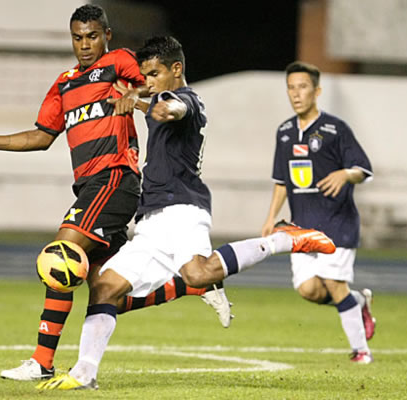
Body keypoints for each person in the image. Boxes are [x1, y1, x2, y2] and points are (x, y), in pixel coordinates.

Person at [0, 4, 232, 382]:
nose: (85, 45)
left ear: (107, 36)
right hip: (89, 186)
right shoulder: (63, 84)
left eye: (92, 36)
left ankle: (41, 361)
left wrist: (135, 93)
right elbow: (41, 137)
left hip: (114, 179)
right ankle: (191, 285)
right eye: (78, 38)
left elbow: (155, 79)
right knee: (104, 288)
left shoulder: (118, 62)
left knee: (61, 253)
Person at [36, 36, 336, 391]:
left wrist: (144, 102)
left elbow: (171, 108)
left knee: (198, 272)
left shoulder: (184, 100)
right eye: (144, 74)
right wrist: (139, 100)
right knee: (105, 287)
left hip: (181, 208)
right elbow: (159, 104)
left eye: (154, 73)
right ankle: (84, 374)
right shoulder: (159, 96)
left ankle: (284, 240)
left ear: (176, 69)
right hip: (151, 221)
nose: (147, 81)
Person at [261, 61, 376, 364]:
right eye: (291, 87)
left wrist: (345, 175)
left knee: (335, 284)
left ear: (317, 90)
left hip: (337, 222)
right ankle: (359, 302)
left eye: (302, 87)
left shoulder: (335, 129)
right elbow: (281, 180)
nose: (296, 94)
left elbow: (363, 168)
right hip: (303, 226)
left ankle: (361, 352)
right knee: (309, 289)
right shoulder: (285, 132)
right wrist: (271, 216)